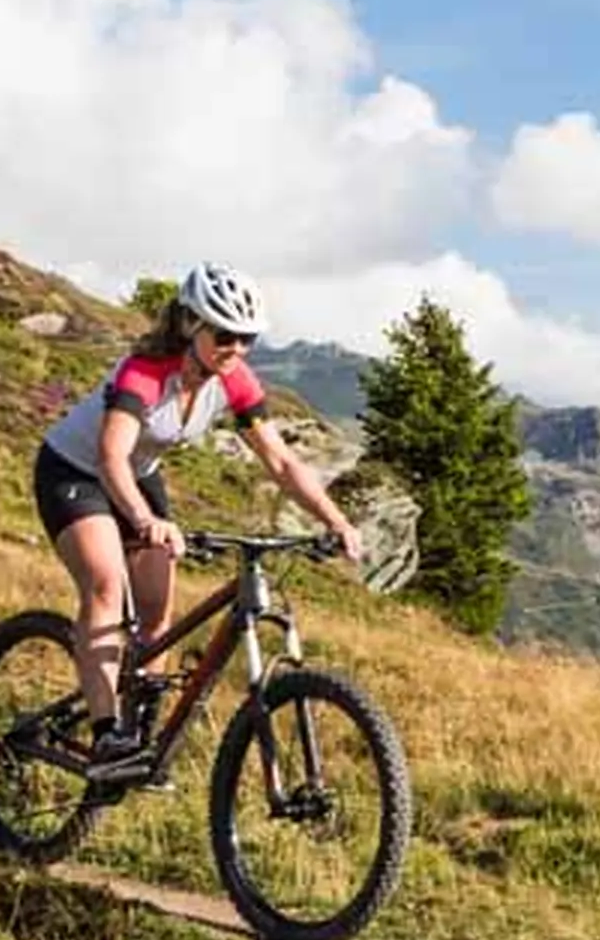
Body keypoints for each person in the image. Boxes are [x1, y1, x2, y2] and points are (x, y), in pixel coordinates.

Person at [30, 263, 367, 776]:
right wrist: (145, 522)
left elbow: (280, 461)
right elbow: (110, 458)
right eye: (225, 335)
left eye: (247, 339)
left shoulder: (233, 380)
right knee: (104, 586)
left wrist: (337, 522)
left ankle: (140, 743)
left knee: (156, 613)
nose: (236, 349)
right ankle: (106, 738)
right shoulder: (144, 373)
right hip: (75, 472)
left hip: (137, 476)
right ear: (191, 325)